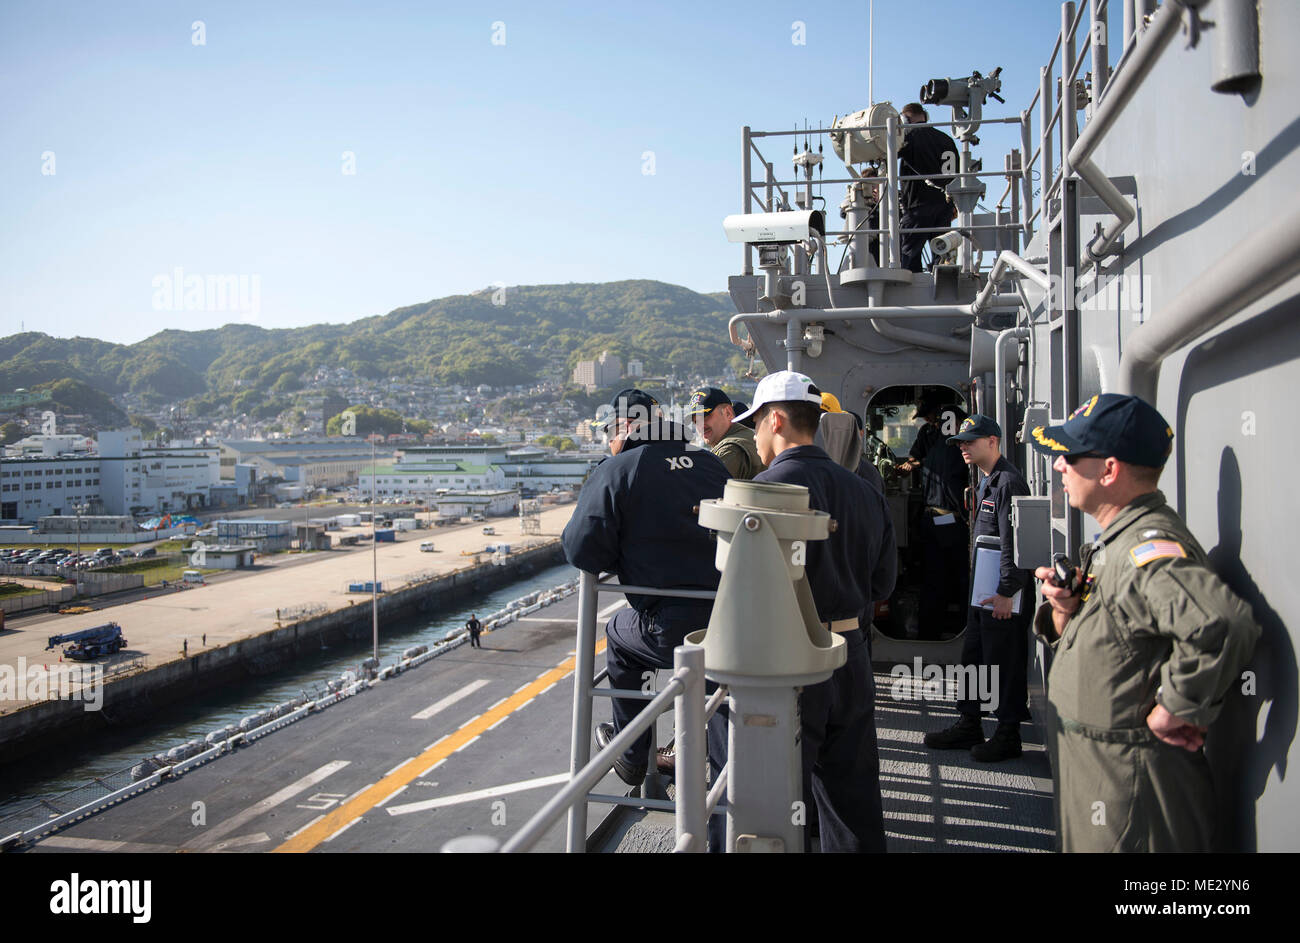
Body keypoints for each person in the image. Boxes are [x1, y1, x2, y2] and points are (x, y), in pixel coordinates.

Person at [1030, 393, 1259, 852]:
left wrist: (1176, 708)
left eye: (1070, 456)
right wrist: (1066, 609)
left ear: (1109, 470)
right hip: (1101, 771)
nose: (1059, 467)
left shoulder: (1146, 549)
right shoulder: (1116, 543)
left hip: (1131, 786)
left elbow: (1221, 622)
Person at [733, 370, 897, 852]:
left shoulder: (759, 493)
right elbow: (882, 584)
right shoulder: (864, 490)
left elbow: (737, 591)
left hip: (787, 666)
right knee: (852, 794)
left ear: (776, 420)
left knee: (775, 800)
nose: (755, 436)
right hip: (850, 656)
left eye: (756, 424)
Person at [563, 388, 729, 785]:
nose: (609, 441)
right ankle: (720, 759)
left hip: (669, 628)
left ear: (627, 426)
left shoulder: (619, 469)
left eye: (609, 431)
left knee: (618, 634)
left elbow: (581, 550)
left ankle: (633, 753)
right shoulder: (710, 464)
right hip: (730, 621)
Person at [924, 415, 1032, 761]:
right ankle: (970, 721)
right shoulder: (987, 481)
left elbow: (1013, 545)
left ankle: (1008, 733)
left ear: (993, 441)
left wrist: (1006, 592)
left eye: (970, 441)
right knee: (974, 658)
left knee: (1003, 662)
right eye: (961, 443)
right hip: (982, 593)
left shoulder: (1007, 483)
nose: (964, 448)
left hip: (1000, 594)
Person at [897, 395, 969, 639]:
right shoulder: (956, 452)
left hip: (931, 519)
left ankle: (930, 632)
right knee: (961, 580)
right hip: (949, 521)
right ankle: (963, 629)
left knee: (933, 580)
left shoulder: (936, 449)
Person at [897, 103, 958, 273]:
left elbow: (886, 155)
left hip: (917, 207)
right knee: (942, 253)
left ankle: (911, 295)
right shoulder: (946, 139)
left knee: (909, 258)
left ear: (905, 118)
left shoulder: (908, 138)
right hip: (944, 206)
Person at [686, 386, 763, 480]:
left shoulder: (730, 450)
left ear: (728, 413)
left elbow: (702, 490)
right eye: (696, 421)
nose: (701, 426)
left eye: (705, 416)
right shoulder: (745, 436)